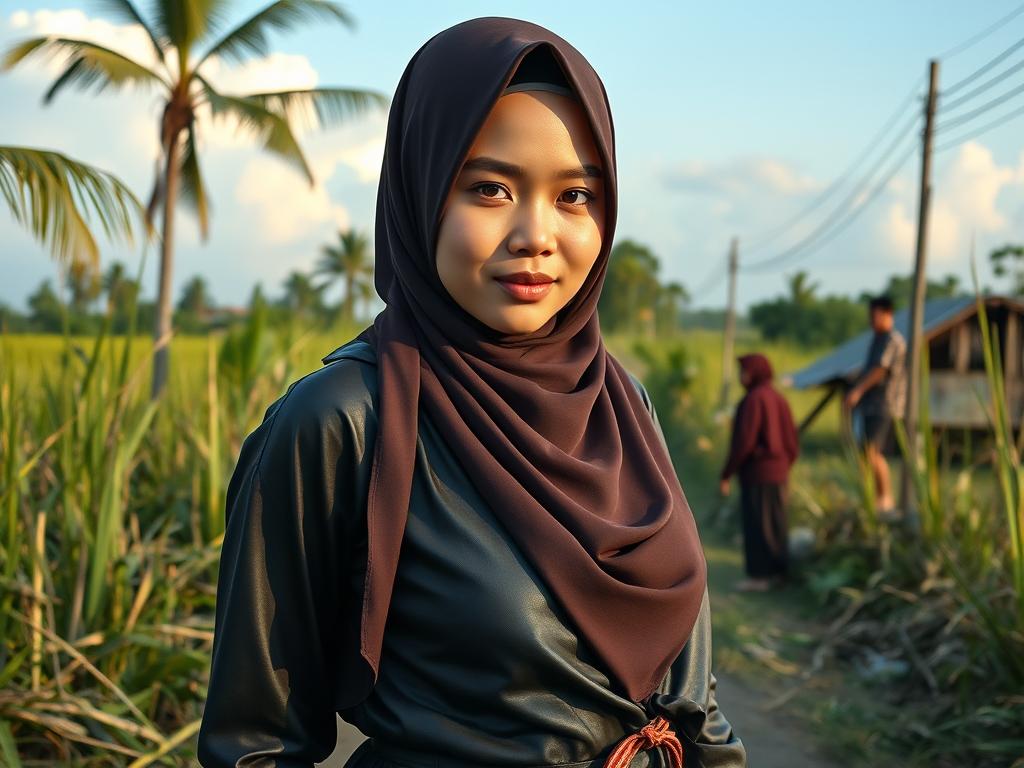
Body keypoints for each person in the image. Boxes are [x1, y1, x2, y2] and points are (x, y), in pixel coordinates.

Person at [197, 17, 745, 768]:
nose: (536, 234)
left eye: (575, 194)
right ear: (421, 190)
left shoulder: (622, 405)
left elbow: (698, 711)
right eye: (489, 188)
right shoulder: (342, 421)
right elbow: (256, 746)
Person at [719, 354, 799, 592]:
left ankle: (759, 577)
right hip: (779, 472)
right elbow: (792, 443)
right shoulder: (779, 399)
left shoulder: (753, 400)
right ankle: (777, 574)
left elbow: (743, 443)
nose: (741, 377)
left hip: (757, 473)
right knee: (776, 523)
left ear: (755, 373)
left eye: (744, 372)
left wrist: (726, 473)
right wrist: (784, 467)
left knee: (758, 524)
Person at [843, 295, 906, 516]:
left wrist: (858, 391)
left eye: (874, 315)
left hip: (885, 405)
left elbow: (879, 370)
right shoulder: (877, 339)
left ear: (887, 314)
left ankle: (885, 499)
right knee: (866, 453)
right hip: (871, 406)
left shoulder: (892, 340)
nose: (871, 320)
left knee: (873, 453)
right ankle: (873, 497)